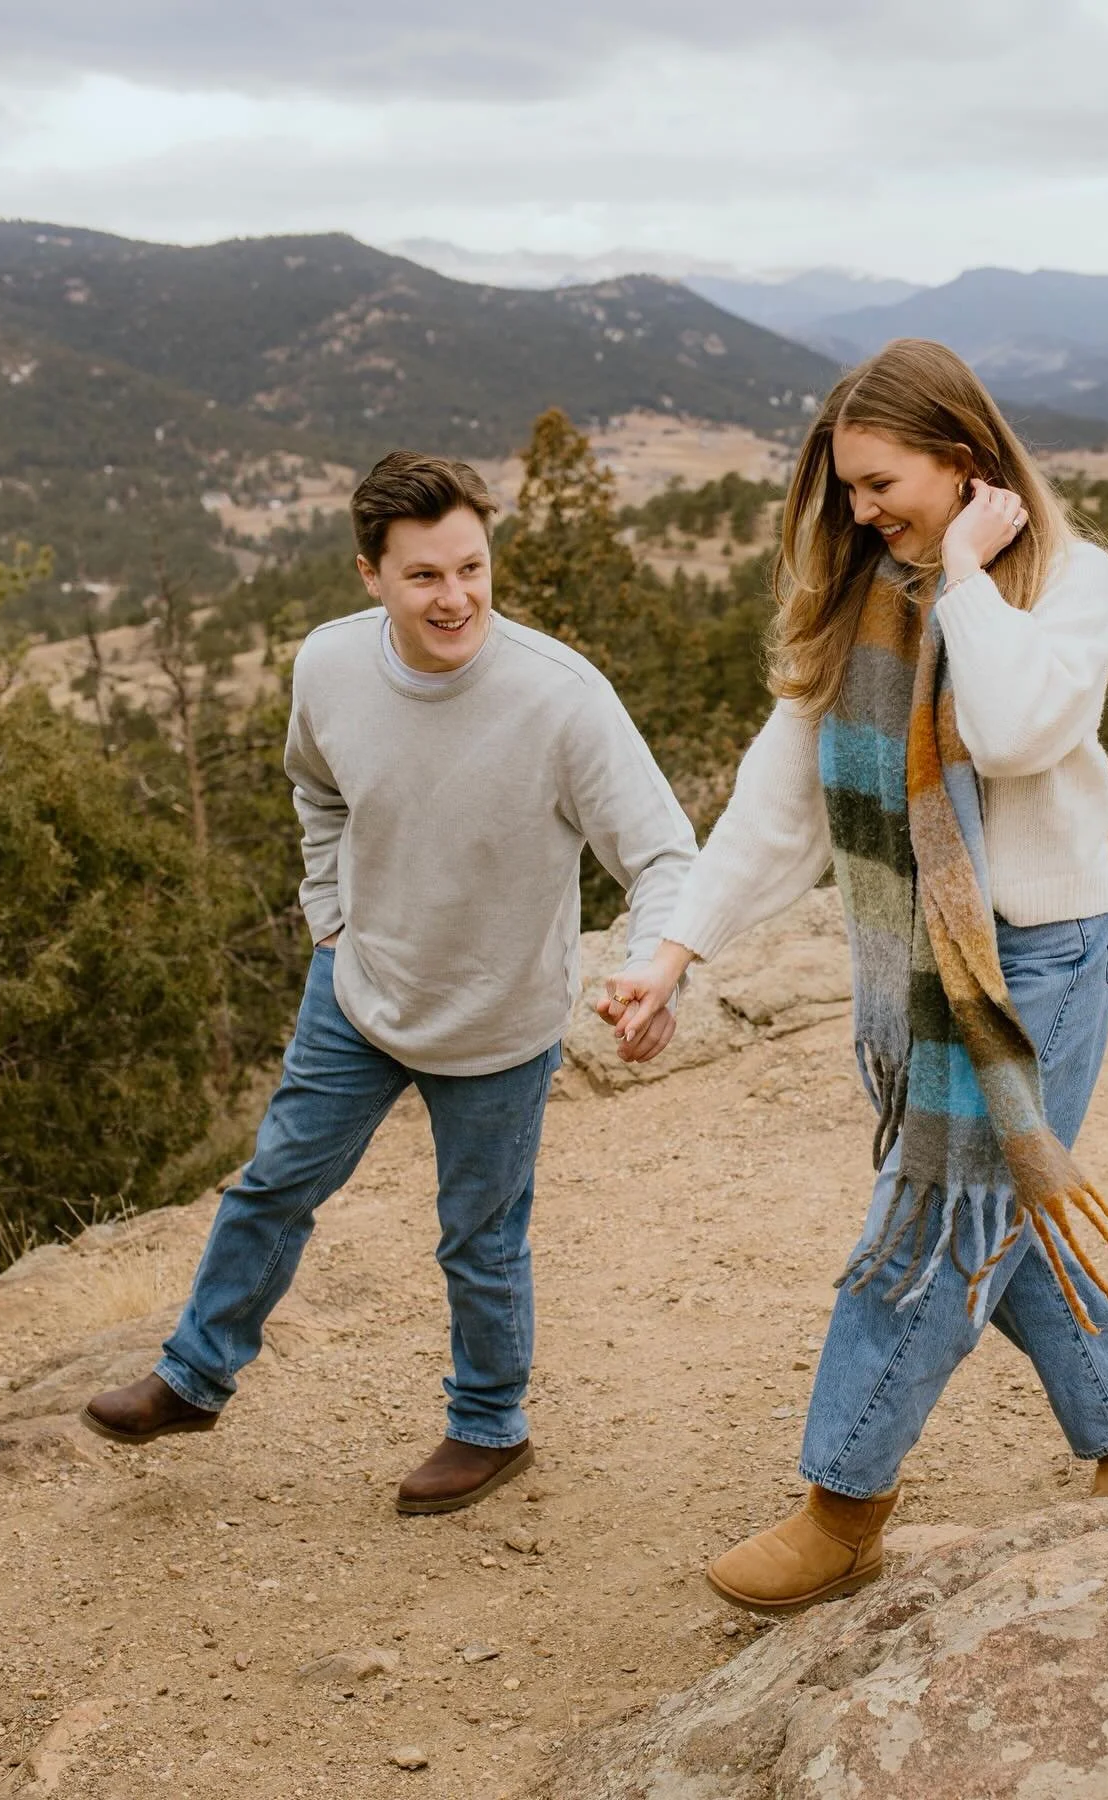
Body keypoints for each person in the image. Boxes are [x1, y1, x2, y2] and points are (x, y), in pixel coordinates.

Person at [601, 339, 1108, 1614]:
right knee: (995, 1210)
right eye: (846, 491)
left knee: (928, 1229)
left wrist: (966, 574)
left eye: (879, 485)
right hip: (920, 965)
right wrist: (674, 952)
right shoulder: (858, 601)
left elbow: (1027, 731)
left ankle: (844, 1504)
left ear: (962, 463)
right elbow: (776, 802)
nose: (861, 514)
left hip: (1040, 959)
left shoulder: (1071, 580)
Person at [84, 450, 696, 1514]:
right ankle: (193, 1377)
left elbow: (662, 855)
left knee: (479, 1237)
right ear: (372, 574)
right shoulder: (326, 665)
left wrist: (652, 968)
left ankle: (490, 1426)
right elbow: (315, 791)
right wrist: (331, 917)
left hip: (499, 1019)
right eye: (424, 576)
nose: (455, 597)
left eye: (472, 568)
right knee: (274, 1186)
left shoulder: (562, 700)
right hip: (358, 990)